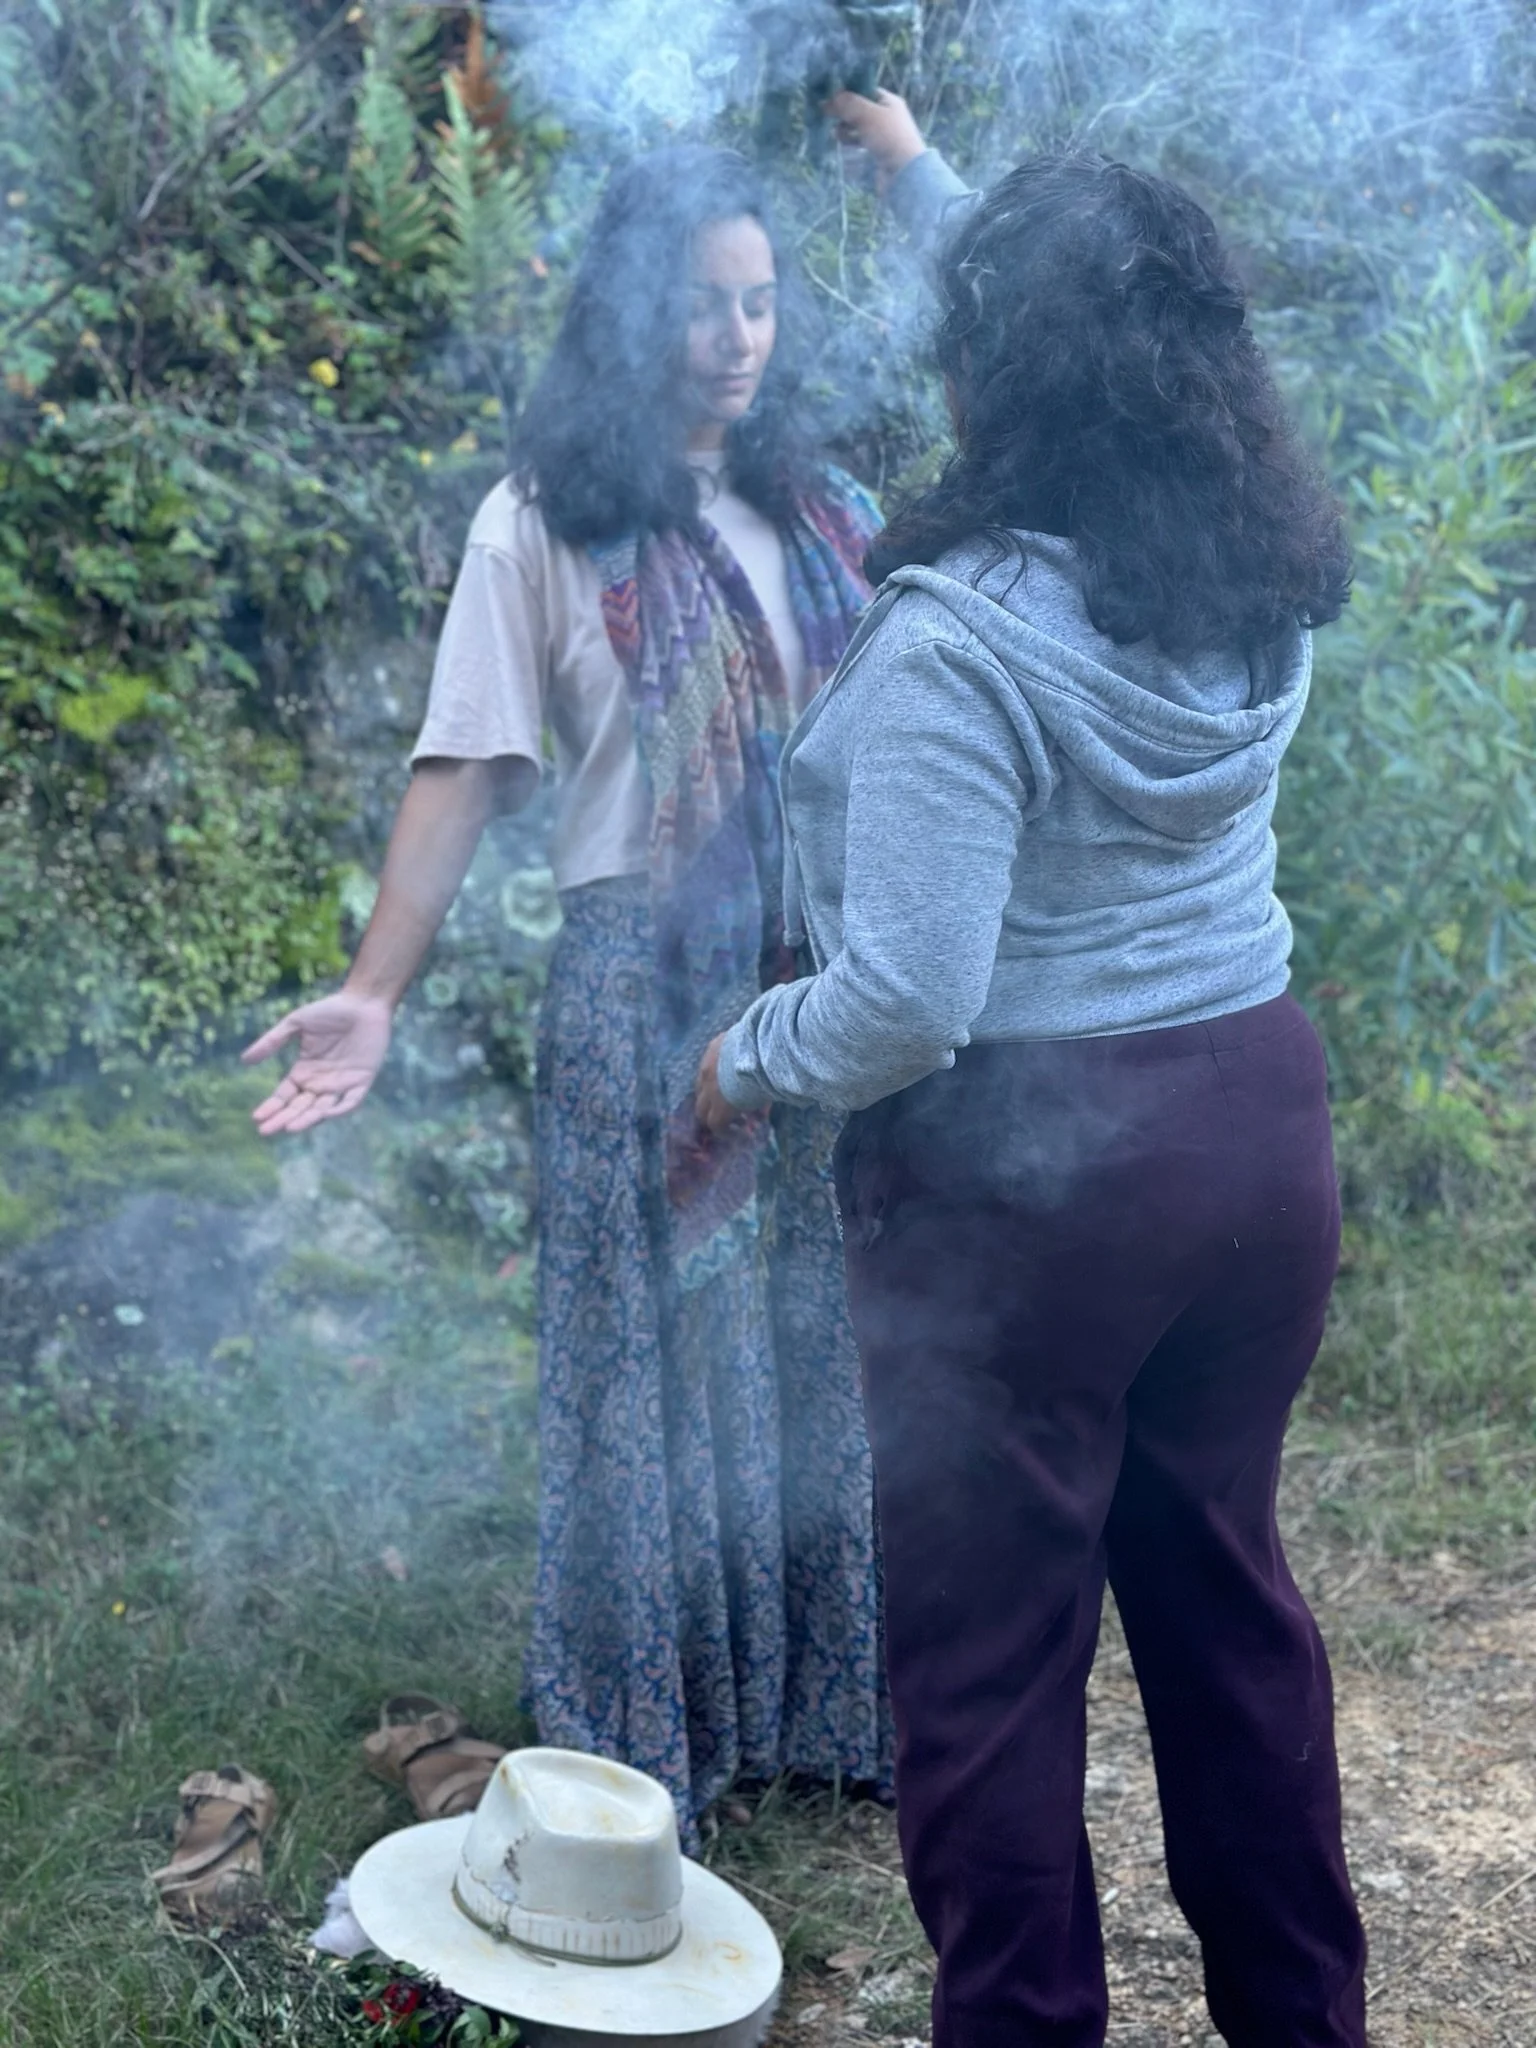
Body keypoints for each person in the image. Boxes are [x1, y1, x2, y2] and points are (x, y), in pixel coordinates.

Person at [696, 107, 1368, 2048]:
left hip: (1037, 1190)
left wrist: (739, 1064)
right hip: (1257, 1143)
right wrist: (915, 172)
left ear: (1000, 366)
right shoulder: (1246, 559)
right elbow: (1097, 302)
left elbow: (907, 999)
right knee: (1229, 1618)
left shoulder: (953, 643)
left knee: (988, 1680)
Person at [243, 146, 891, 1847]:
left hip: (822, 997)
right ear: (628, 310)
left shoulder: (829, 516)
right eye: (698, 303)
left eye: (760, 301)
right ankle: (652, 1734)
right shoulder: (543, 518)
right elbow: (464, 765)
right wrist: (377, 993)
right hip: (640, 999)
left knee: (811, 1351)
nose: (737, 337)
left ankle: (816, 1710)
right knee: (653, 1370)